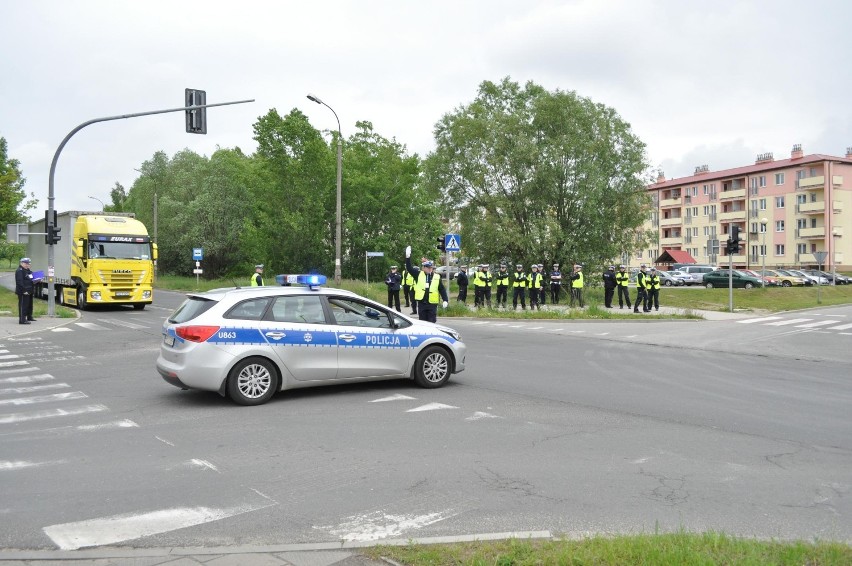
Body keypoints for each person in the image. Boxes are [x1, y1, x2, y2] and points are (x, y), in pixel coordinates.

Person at [404, 246, 449, 323]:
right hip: (422, 303)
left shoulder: (437, 276)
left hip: (432, 304)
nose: (430, 269)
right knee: (423, 323)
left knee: (432, 322)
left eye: (431, 267)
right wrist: (408, 257)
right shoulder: (418, 274)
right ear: (423, 268)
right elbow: (409, 268)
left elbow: (441, 289)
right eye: (428, 267)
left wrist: (445, 300)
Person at [15, 257, 36, 324]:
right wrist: (24, 290)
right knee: (23, 305)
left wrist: (37, 280)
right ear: (21, 263)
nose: (27, 265)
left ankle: (29, 316)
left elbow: (32, 279)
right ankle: (22, 320)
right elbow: (19, 282)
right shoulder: (20, 271)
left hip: (29, 290)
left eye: (28, 263)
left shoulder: (28, 271)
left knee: (29, 305)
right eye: (25, 263)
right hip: (23, 291)